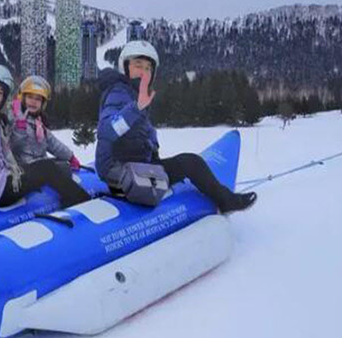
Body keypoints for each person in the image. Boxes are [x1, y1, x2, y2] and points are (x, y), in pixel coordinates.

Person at [95, 41, 257, 214]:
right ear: (125, 67)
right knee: (191, 163)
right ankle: (226, 201)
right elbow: (106, 130)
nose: (143, 72)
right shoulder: (118, 93)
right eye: (138, 65)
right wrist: (137, 108)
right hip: (120, 173)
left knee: (188, 163)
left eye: (148, 68)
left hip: (140, 165)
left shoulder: (134, 94)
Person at [0, 64, 89, 208]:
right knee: (47, 169)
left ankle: (67, 198)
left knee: (57, 167)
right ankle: (83, 203)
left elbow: (51, 143)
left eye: (0, 93)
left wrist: (70, 157)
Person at [10, 75, 81, 170]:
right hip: (22, 169)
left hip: (40, 167)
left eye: (38, 99)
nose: (33, 102)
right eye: (30, 97)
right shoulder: (13, 119)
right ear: (23, 99)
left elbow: (53, 144)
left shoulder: (38, 124)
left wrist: (70, 157)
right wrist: (20, 126)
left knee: (63, 166)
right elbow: (14, 146)